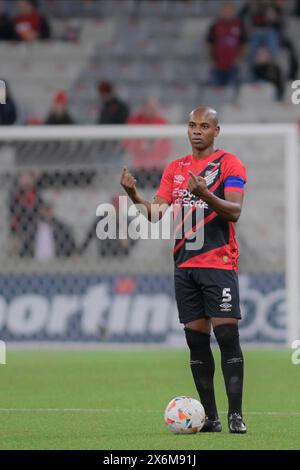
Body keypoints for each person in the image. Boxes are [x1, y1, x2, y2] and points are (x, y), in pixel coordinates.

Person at [120, 106, 247, 434]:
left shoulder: (229, 164)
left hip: (218, 263)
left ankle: (236, 415)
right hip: (184, 266)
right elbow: (155, 214)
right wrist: (135, 195)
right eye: (192, 125)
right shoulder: (175, 169)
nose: (197, 131)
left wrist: (204, 193)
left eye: (205, 126)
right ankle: (211, 418)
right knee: (197, 343)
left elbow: (234, 211)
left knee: (228, 337)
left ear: (216, 130)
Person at [125, 98, 172, 188]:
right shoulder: (134, 121)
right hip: (139, 167)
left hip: (157, 167)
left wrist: (153, 146)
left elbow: (167, 148)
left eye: (153, 108)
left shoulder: (162, 123)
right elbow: (127, 144)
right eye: (149, 108)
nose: (151, 111)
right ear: (144, 108)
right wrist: (141, 144)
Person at [206, 1, 247, 90]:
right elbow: (209, 42)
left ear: (234, 11)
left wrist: (241, 58)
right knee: (215, 92)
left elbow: (244, 43)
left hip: (233, 65)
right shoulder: (215, 25)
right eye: (225, 10)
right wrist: (211, 58)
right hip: (217, 65)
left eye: (230, 10)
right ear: (221, 11)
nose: (227, 12)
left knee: (230, 91)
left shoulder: (239, 25)